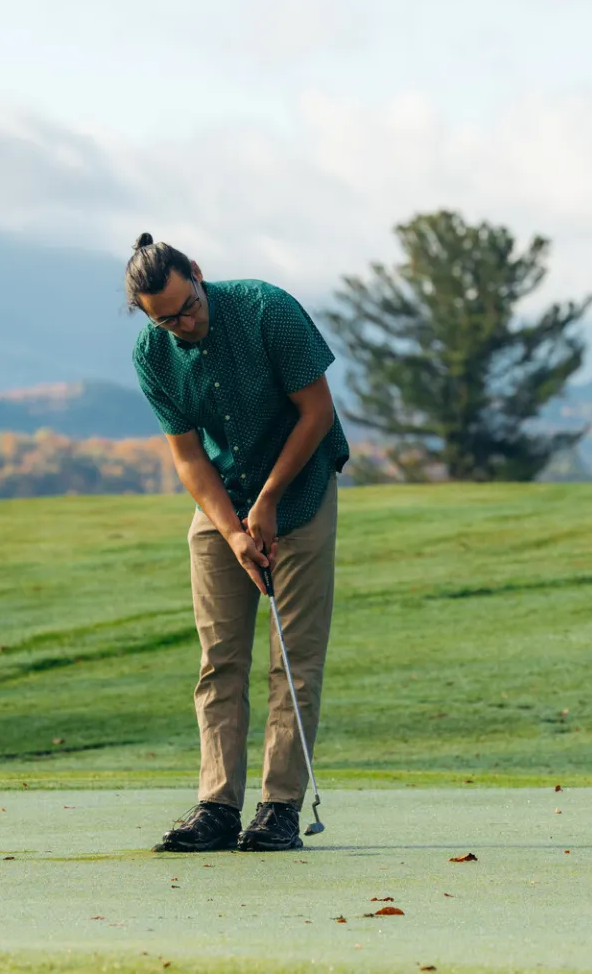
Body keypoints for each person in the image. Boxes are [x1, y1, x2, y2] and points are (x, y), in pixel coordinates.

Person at [125, 234, 350, 852]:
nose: (183, 323)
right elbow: (189, 456)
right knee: (220, 658)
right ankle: (217, 807)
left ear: (197, 274)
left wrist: (270, 501)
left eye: (187, 305)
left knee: (292, 660)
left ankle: (279, 807)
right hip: (222, 499)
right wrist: (231, 529)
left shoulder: (266, 309)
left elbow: (317, 411)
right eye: (165, 318)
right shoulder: (153, 352)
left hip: (299, 493)